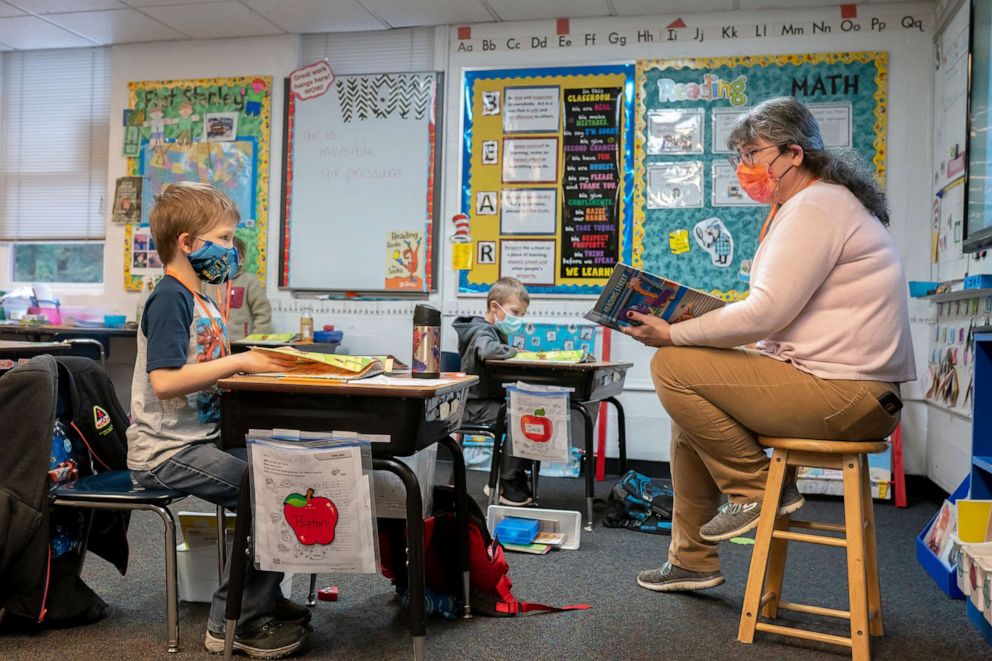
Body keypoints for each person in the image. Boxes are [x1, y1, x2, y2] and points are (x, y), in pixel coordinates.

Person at [623, 97, 915, 593]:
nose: (744, 167)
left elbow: (766, 313)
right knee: (688, 417)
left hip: (846, 395)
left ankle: (757, 491)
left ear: (794, 154)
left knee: (673, 366)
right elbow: (775, 314)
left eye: (753, 153)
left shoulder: (816, 205)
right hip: (846, 391)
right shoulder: (814, 204)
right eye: (738, 155)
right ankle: (692, 559)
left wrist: (673, 332)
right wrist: (703, 316)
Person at [126, 182, 308, 658]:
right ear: (187, 243)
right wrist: (238, 363)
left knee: (288, 472)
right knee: (265, 490)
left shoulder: (204, 299)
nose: (231, 249)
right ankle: (236, 621)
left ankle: (264, 595)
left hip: (201, 440)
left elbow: (206, 366)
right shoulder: (170, 298)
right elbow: (165, 381)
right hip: (166, 452)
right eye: (224, 238)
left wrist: (256, 358)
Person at [453, 277, 533, 506]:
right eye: (515, 312)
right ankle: (507, 483)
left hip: (485, 402)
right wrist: (515, 352)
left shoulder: (492, 330)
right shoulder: (482, 331)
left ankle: (510, 477)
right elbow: (486, 351)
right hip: (472, 406)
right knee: (518, 416)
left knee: (529, 410)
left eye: (522, 314)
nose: (518, 319)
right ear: (494, 307)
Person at [208, 236, 273, 341]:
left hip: (242, 345)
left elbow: (263, 313)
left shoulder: (250, 281)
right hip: (215, 345)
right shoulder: (208, 282)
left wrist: (255, 341)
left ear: (241, 257)